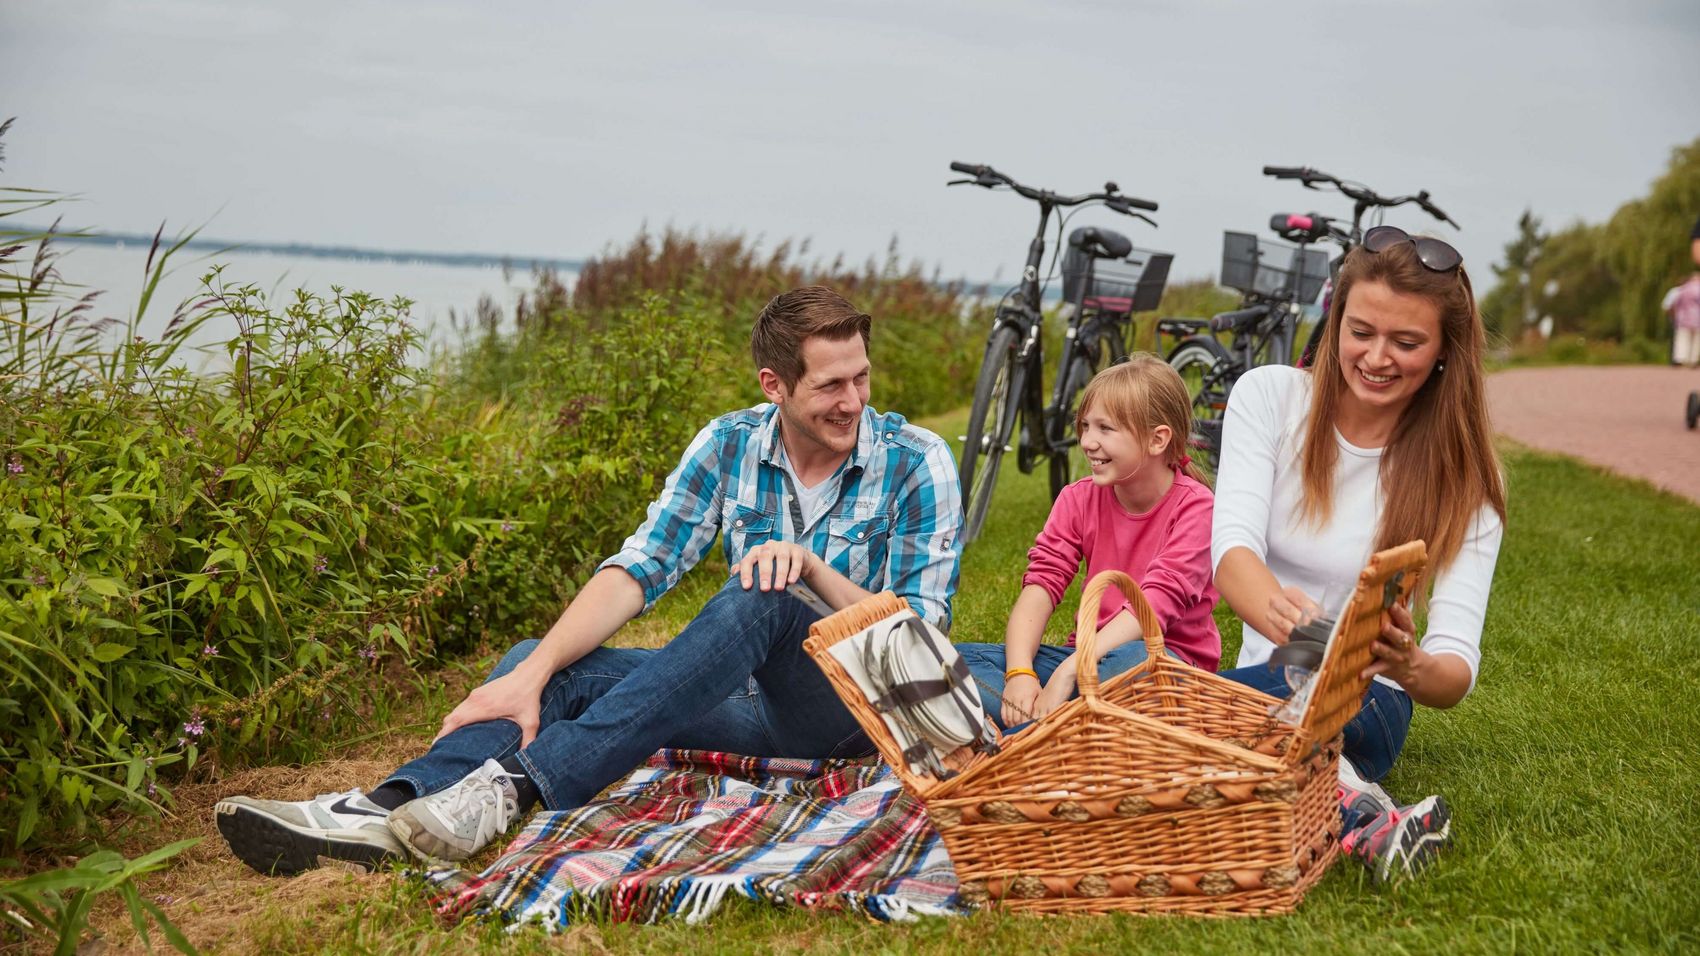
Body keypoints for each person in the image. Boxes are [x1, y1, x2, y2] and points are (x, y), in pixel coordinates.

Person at [214, 286, 963, 875]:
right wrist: (539, 668)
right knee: (537, 667)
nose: (854, 402)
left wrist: (811, 568)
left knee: (767, 592)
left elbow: (922, 639)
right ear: (774, 383)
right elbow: (640, 568)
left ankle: (515, 785)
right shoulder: (728, 444)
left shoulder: (917, 459)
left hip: (858, 710)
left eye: (861, 377)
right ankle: (384, 808)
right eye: (831, 385)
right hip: (751, 704)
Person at [1211, 225, 1506, 885]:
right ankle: (1356, 804)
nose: (1376, 357)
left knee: (1167, 720)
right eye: (1361, 332)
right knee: (1247, 723)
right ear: (1335, 321)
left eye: (1406, 342)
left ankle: (1327, 788)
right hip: (1268, 678)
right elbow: (1232, 555)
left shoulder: (1466, 482)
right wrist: (1303, 631)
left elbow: (1454, 672)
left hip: (1371, 699)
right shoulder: (1268, 398)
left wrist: (1409, 661)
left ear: (1442, 354)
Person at [957, 356, 1219, 730]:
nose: (1087, 442)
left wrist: (1067, 672)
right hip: (1085, 660)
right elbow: (1041, 586)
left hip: (1162, 668)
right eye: (1085, 426)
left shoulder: (1197, 508)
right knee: (945, 663)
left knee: (1133, 663)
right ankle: (1058, 723)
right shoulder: (1077, 498)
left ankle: (1033, 727)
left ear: (1157, 439)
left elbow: (1153, 611)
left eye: (1105, 429)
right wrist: (1019, 673)